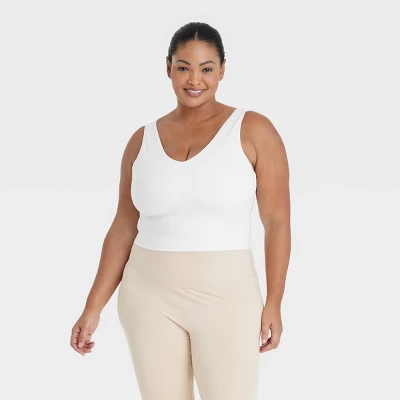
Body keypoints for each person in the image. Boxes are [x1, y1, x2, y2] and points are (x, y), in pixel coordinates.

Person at [70, 21, 291, 400]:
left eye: (207, 68)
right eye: (183, 67)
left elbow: (277, 221)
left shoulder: (253, 130)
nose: (195, 80)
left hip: (228, 298)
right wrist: (92, 308)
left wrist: (274, 302)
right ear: (168, 67)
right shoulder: (141, 140)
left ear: (223, 70)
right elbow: (123, 228)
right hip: (147, 296)